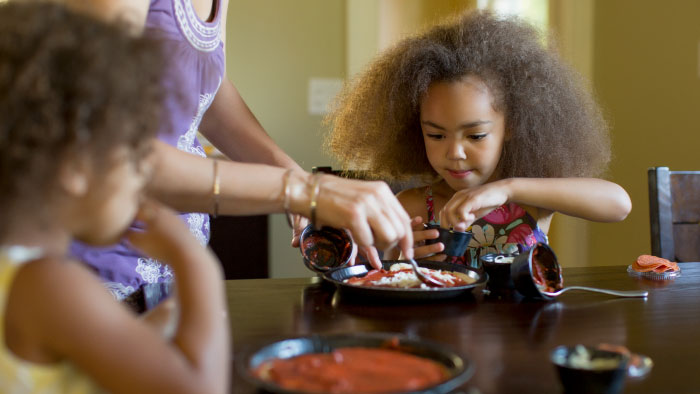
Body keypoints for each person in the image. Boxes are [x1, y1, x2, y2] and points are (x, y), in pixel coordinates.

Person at [42, 0, 411, 304]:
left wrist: (302, 182)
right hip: (91, 271)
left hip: (167, 265)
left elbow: (206, 89)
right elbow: (109, 151)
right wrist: (305, 192)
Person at [0, 3, 229, 392]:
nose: (144, 173)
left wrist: (152, 327)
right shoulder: (51, 284)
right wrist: (196, 265)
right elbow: (199, 389)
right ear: (75, 165)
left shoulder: (23, 277)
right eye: (137, 154)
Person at [324, 11, 632, 266]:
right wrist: (397, 260)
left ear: (511, 125)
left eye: (475, 135)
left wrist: (507, 189)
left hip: (525, 336)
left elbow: (618, 204)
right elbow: (385, 275)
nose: (455, 152)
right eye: (435, 134)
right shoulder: (414, 205)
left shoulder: (530, 199)